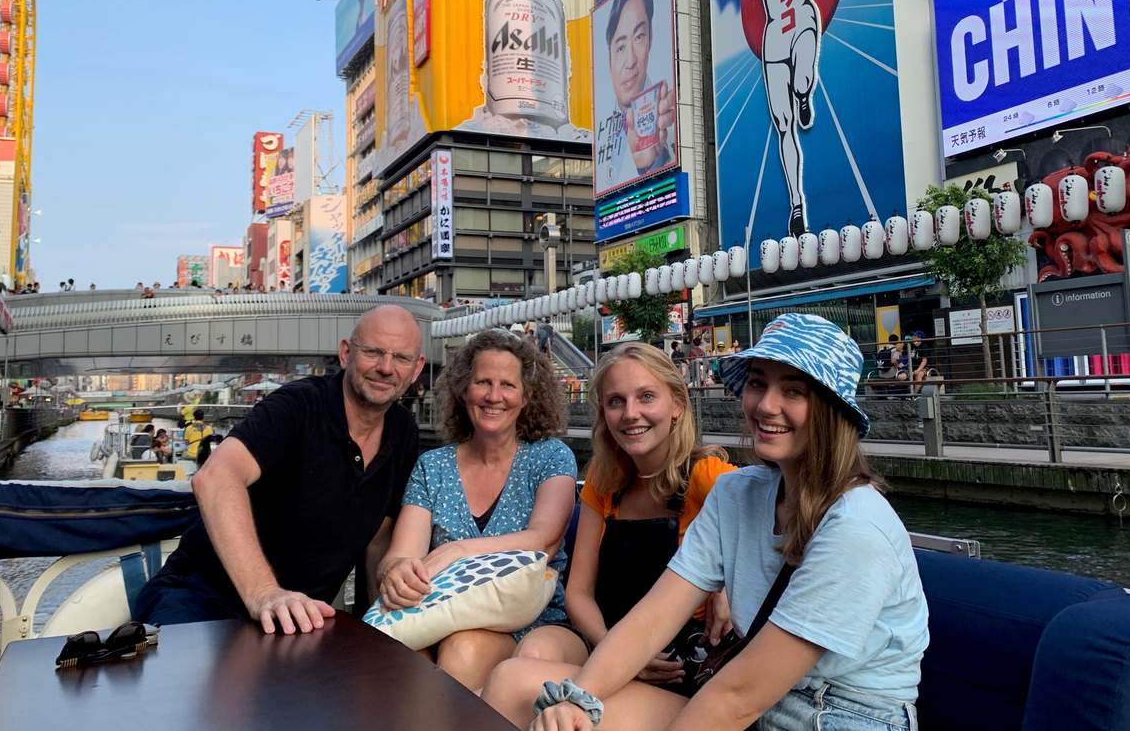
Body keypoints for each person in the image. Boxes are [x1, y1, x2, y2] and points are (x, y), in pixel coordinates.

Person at [492, 313, 928, 731]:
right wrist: (576, 700)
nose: (767, 406)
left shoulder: (857, 527)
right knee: (517, 688)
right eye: (758, 384)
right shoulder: (736, 494)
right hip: (749, 699)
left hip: (834, 715)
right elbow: (654, 617)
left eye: (794, 391)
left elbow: (738, 696)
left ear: (833, 409)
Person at [133, 304, 427, 634]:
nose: (386, 367)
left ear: (416, 369)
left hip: (298, 619)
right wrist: (264, 594)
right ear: (346, 354)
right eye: (373, 352)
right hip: (200, 599)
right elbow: (215, 476)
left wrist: (382, 633)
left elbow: (378, 541)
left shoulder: (403, 432)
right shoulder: (297, 406)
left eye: (400, 358)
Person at [496, 343, 735, 683]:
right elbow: (578, 593)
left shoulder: (708, 477)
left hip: (674, 662)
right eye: (616, 401)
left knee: (513, 682)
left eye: (647, 397)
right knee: (532, 652)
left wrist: (726, 588)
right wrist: (617, 653)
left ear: (678, 405)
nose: (630, 413)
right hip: (604, 635)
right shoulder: (603, 480)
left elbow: (778, 536)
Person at [376, 328, 575, 692]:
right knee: (400, 657)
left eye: (507, 385)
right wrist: (396, 572)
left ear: (527, 396)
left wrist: (455, 551)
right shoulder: (432, 467)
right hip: (439, 615)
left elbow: (542, 540)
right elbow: (402, 553)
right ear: (464, 390)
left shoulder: (550, 457)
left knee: (463, 649)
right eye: (483, 382)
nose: (494, 396)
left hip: (530, 619)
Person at [710, 0, 852, 236]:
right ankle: (796, 205)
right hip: (775, 36)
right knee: (783, 124)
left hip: (802, 19)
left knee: (803, 75)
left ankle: (805, 93)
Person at [594, 0, 676, 193]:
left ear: (650, 40)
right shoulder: (602, 131)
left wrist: (654, 164)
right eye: (620, 47)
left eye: (639, 37)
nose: (630, 61)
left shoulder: (669, 113)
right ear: (608, 58)